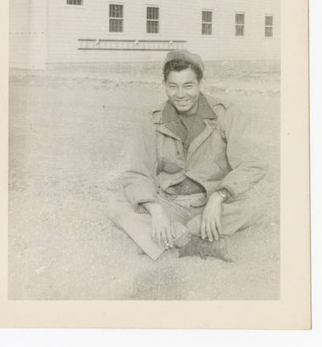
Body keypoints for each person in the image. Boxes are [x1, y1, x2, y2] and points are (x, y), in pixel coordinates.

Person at [107, 50, 267, 261]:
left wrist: (219, 197)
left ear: (201, 84)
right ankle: (195, 239)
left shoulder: (227, 114)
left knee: (254, 204)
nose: (180, 94)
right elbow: (135, 173)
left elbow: (252, 164)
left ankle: (164, 238)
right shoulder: (153, 119)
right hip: (170, 202)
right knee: (115, 204)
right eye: (173, 86)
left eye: (188, 86)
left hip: (211, 201)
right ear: (164, 85)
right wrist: (155, 211)